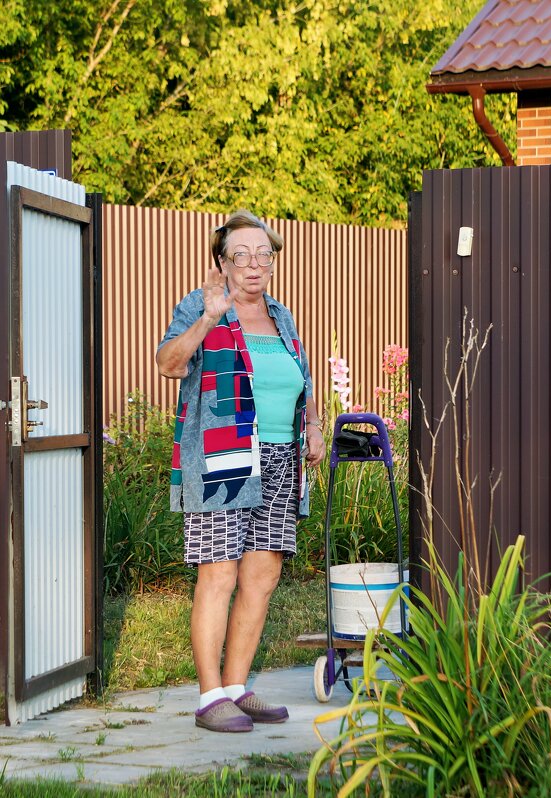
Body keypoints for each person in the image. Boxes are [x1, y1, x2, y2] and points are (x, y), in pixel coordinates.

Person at [155, 209, 325, 733]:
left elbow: (302, 376)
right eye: (240, 255)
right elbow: (168, 363)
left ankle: (236, 687)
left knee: (263, 574)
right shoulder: (201, 306)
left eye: (263, 254)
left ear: (273, 261)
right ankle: (209, 699)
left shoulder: (282, 315)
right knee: (219, 572)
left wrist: (314, 425)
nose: (253, 265)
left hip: (280, 458)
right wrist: (207, 319)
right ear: (221, 262)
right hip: (222, 457)